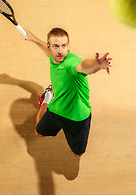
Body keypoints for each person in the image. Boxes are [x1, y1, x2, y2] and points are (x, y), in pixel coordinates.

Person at [23, 28, 112, 156]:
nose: (60, 51)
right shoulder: (53, 56)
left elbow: (83, 66)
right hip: (56, 110)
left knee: (77, 153)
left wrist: (96, 65)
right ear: (49, 47)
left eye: (64, 46)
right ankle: (48, 97)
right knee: (39, 132)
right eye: (56, 46)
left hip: (77, 117)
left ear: (68, 46)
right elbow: (47, 53)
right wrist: (33, 39)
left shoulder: (71, 63)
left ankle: (49, 95)